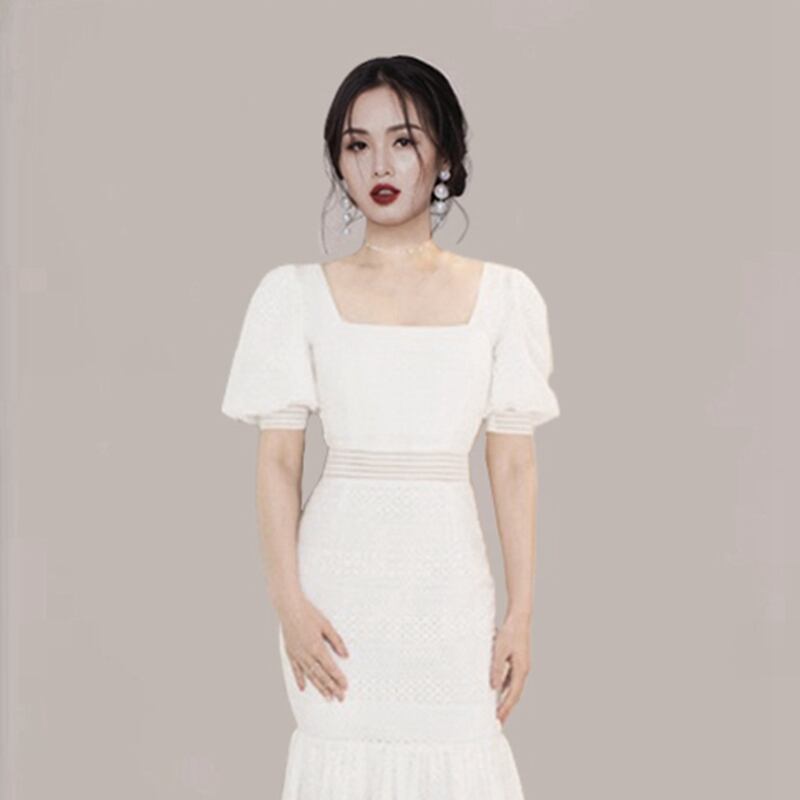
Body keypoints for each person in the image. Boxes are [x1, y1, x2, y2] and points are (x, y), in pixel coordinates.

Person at [221, 55, 560, 799]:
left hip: (449, 586)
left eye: (403, 141)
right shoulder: (293, 296)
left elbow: (513, 466)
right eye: (357, 144)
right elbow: (278, 463)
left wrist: (521, 614)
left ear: (444, 156)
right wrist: (289, 604)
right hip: (337, 594)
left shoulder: (504, 297)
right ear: (338, 162)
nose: (379, 164)